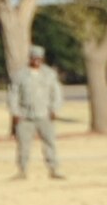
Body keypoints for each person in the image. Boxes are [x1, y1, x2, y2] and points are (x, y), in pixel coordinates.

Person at [8, 44, 65, 180]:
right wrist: (15, 112)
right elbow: (13, 95)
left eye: (39, 58)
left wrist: (54, 109)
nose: (36, 61)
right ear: (30, 58)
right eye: (34, 58)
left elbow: (56, 93)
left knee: (49, 142)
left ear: (42, 59)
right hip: (24, 115)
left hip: (44, 114)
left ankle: (53, 169)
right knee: (23, 145)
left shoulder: (49, 74)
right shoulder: (20, 75)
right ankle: (22, 170)